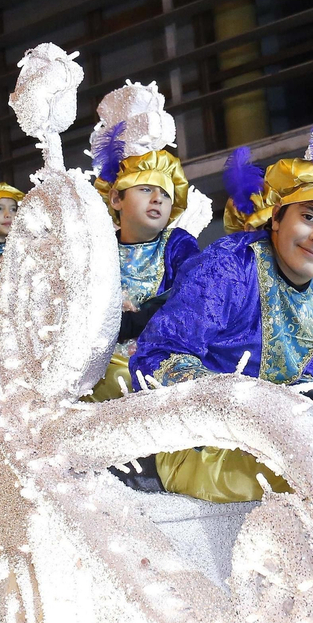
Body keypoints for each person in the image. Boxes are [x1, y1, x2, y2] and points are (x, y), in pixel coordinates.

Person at [130, 116, 313, 501]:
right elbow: (156, 359)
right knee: (312, 469)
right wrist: (243, 403)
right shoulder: (229, 267)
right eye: (309, 217)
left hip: (287, 424)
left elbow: (310, 386)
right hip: (202, 443)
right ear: (277, 219)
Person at [87, 81, 201, 401]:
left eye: (166, 193)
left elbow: (194, 294)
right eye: (145, 189)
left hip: (165, 355)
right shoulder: (98, 250)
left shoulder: (177, 243)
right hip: (105, 362)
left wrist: (137, 318)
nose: (158, 199)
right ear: (115, 199)